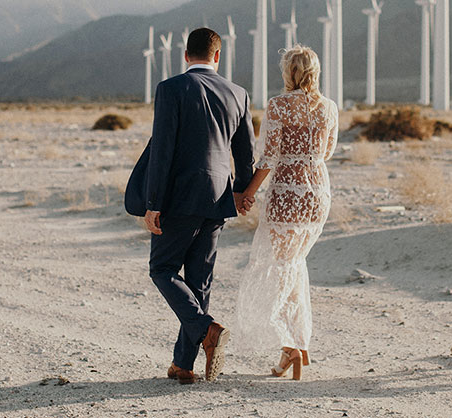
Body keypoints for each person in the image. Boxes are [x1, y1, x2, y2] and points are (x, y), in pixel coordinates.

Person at [143, 27, 255, 384]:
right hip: (219, 198)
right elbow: (246, 152)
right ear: (218, 56)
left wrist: (153, 202)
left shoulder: (170, 88)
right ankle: (184, 365)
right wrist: (241, 191)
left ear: (186, 55)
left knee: (162, 269)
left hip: (179, 197)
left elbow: (162, 150)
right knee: (199, 282)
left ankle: (207, 329)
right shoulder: (238, 93)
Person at [234, 45, 338, 381]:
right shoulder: (330, 108)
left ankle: (286, 342)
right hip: (318, 195)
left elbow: (267, 158)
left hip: (286, 195)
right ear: (316, 72)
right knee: (294, 264)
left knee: (276, 266)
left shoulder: (279, 106)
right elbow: (328, 151)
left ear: (288, 73)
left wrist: (248, 193)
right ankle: (298, 345)